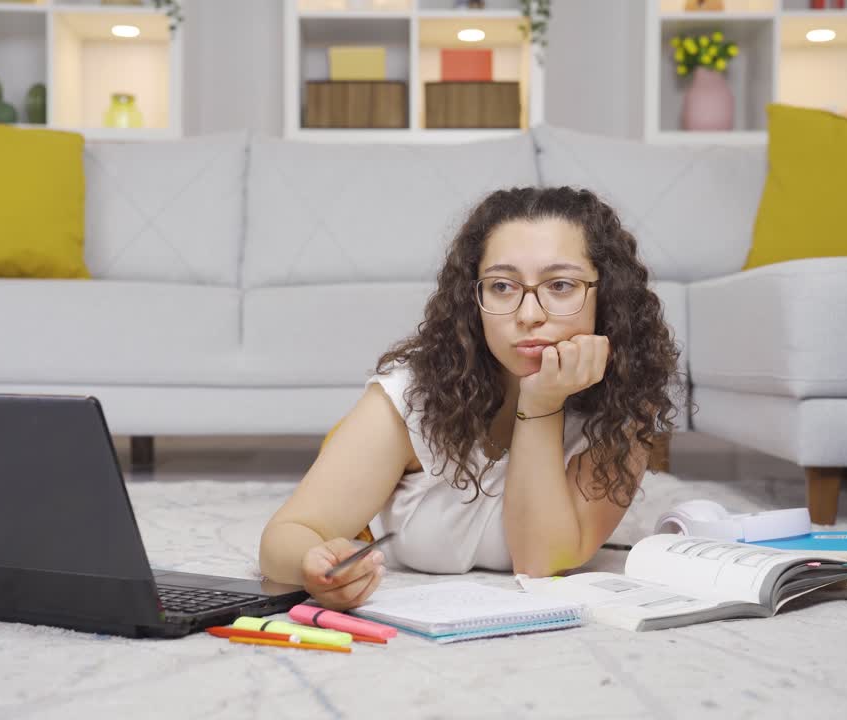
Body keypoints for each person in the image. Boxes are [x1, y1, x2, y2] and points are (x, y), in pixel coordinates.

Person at [259, 187, 681, 610]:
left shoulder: (626, 405)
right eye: (501, 286)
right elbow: (286, 536)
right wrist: (311, 564)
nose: (530, 314)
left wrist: (541, 404)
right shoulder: (411, 399)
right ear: (473, 300)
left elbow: (540, 560)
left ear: (604, 295)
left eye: (561, 285)